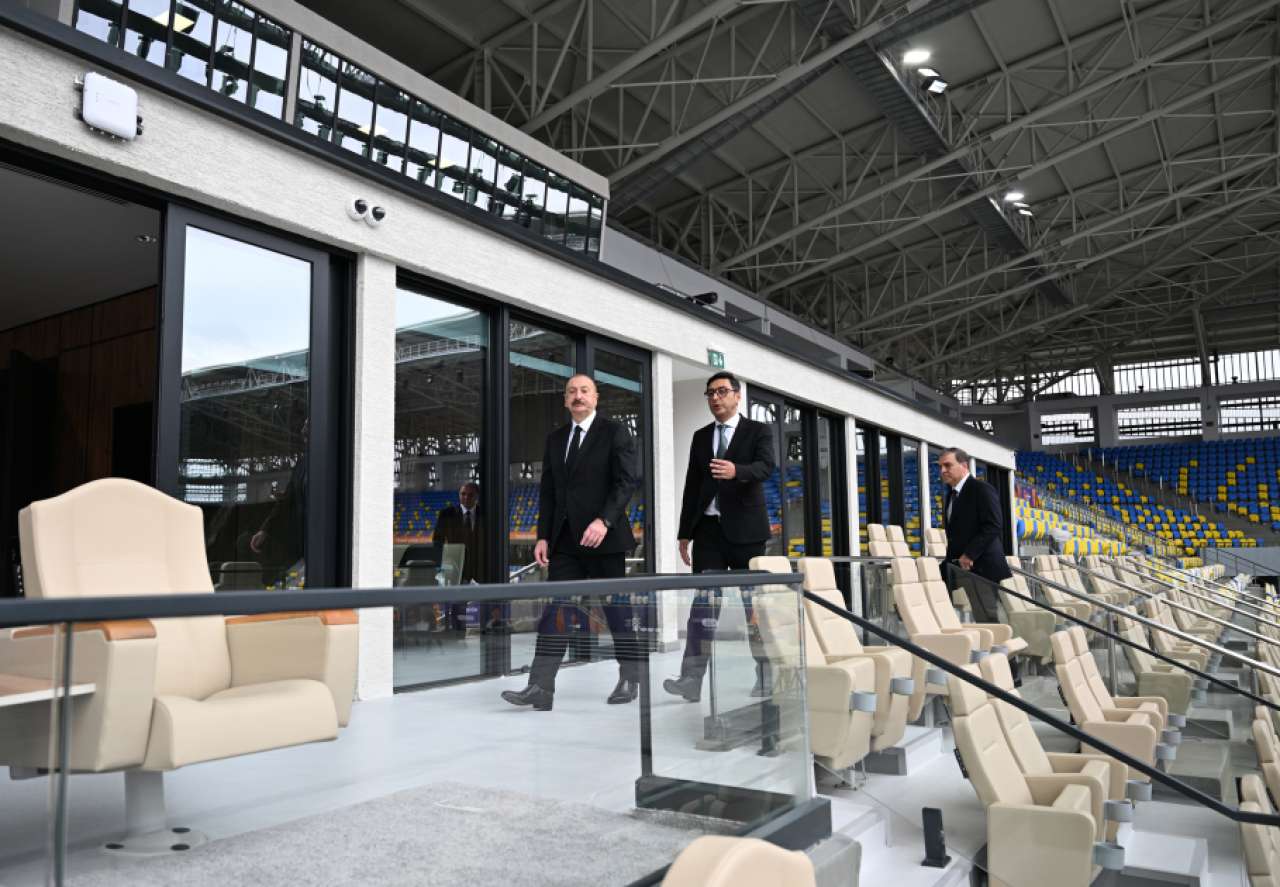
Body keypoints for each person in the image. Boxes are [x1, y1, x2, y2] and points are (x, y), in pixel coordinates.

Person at [501, 374, 641, 712]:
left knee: (617, 611)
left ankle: (630, 677)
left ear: (596, 397)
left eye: (584, 391)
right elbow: (549, 492)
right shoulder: (556, 439)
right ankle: (540, 686)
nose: (578, 396)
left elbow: (626, 482)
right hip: (565, 542)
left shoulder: (615, 432)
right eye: (571, 392)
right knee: (557, 610)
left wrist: (604, 520)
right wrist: (543, 536)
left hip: (604, 538)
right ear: (565, 400)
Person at [663, 371, 776, 704]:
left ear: (737, 396)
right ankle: (691, 679)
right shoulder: (701, 437)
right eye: (710, 393)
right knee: (703, 607)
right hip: (708, 532)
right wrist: (685, 533)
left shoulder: (758, 431)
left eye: (722, 391)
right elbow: (692, 486)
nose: (715, 398)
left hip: (747, 533)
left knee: (753, 607)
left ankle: (766, 673)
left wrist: (736, 471)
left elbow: (767, 467)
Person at [938, 446, 1011, 624]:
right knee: (927, 589)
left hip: (981, 567)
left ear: (964, 466)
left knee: (988, 619)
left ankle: (999, 644)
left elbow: (993, 525)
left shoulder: (981, 489)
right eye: (940, 466)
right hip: (957, 566)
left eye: (947, 465)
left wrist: (970, 554)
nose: (943, 470)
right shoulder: (950, 495)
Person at [432, 481, 485, 630]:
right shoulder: (446, 514)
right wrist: (444, 562)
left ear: (477, 496)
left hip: (481, 569)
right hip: (457, 568)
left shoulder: (486, 514)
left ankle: (487, 632)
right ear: (459, 495)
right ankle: (458, 635)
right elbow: (437, 541)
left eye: (470, 495)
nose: (466, 497)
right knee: (458, 607)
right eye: (463, 494)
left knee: (488, 604)